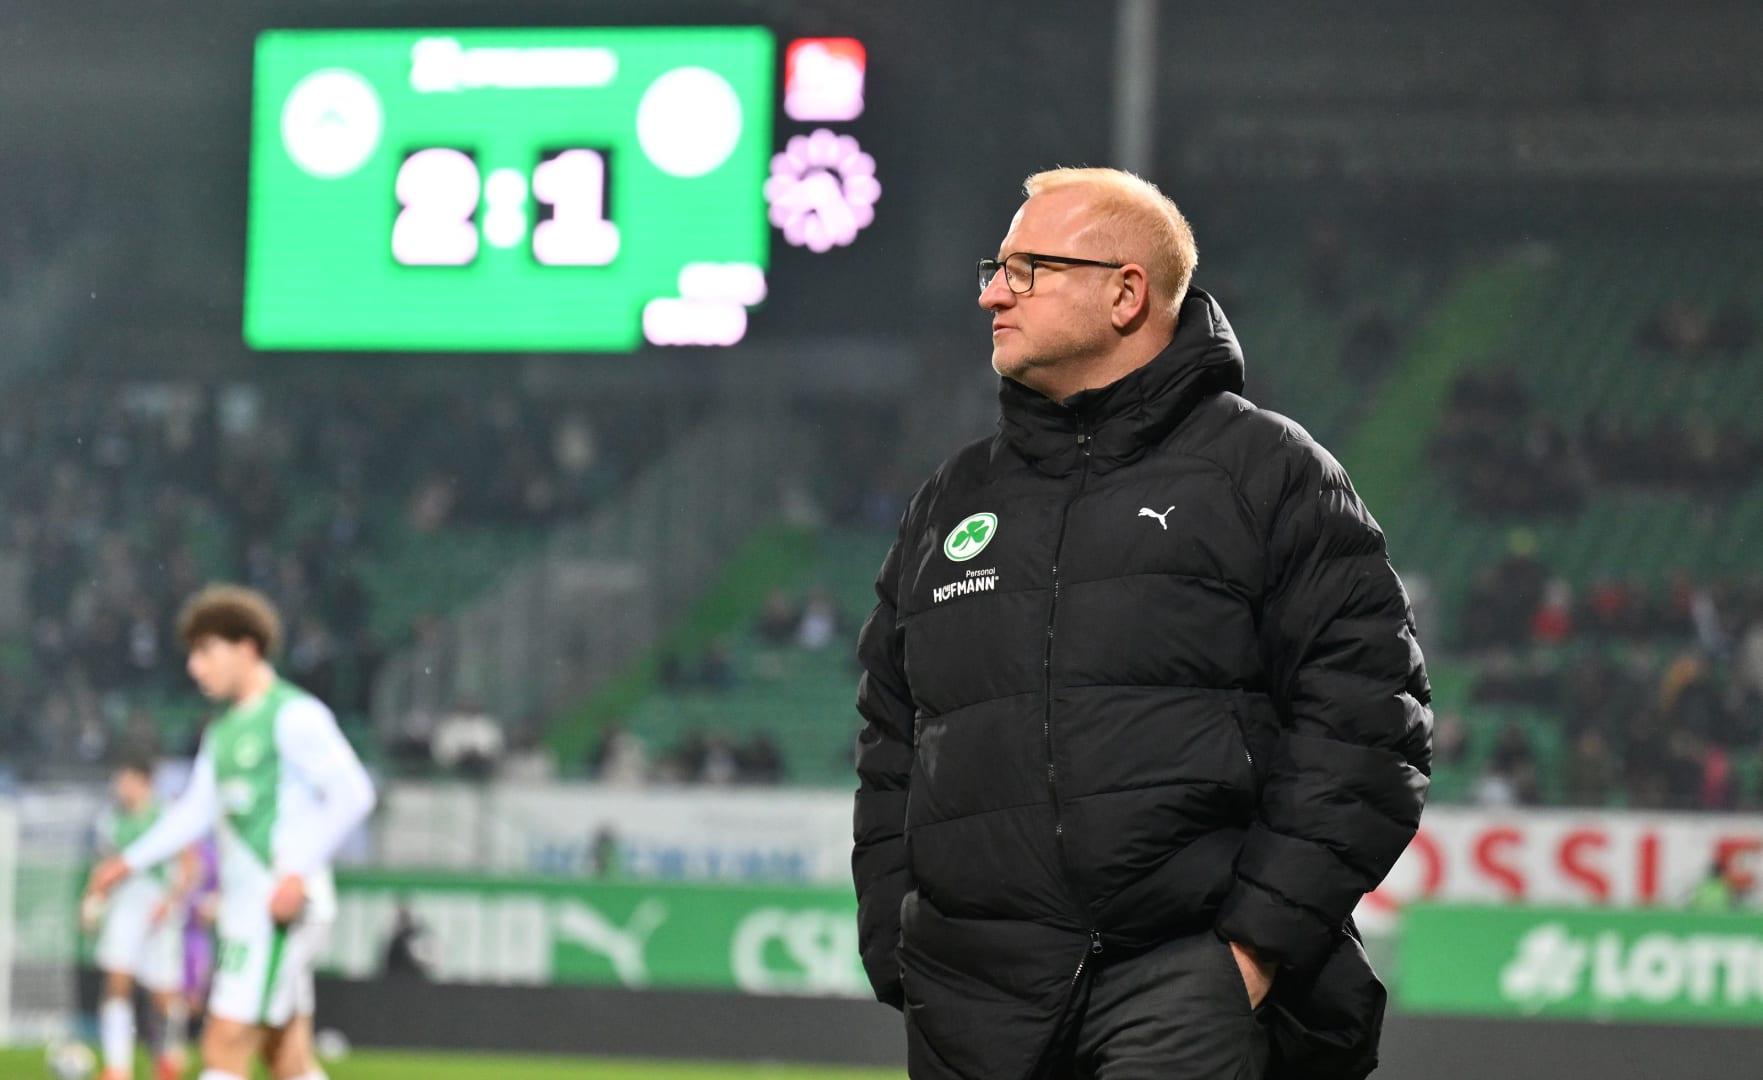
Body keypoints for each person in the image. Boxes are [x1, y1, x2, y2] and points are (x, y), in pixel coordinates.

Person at [852, 168, 1432, 1080]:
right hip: (971, 1006)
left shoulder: (1267, 472)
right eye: (995, 269)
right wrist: (897, 941)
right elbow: (893, 736)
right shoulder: (951, 498)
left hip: (1185, 981)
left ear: (1125, 293)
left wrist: (1250, 950)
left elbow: (1366, 723)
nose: (993, 294)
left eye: (1027, 269)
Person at [86, 585, 377, 1080]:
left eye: (205, 651)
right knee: (285, 1057)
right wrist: (127, 862)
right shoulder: (223, 733)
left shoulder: (293, 715)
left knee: (223, 1045)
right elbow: (193, 813)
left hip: (276, 907)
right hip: (251, 909)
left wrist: (296, 873)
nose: (195, 667)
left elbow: (354, 794)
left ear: (246, 648)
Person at [86, 755, 196, 1080]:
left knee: (163, 995)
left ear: (144, 781)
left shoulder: (167, 814)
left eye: (126, 780)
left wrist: (171, 900)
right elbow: (105, 866)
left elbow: (191, 866)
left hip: (159, 911)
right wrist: (93, 899)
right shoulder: (111, 820)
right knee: (117, 980)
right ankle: (117, 1067)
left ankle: (169, 1055)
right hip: (124, 909)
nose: (121, 787)